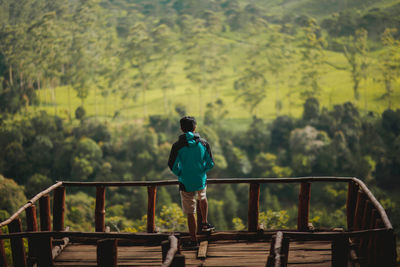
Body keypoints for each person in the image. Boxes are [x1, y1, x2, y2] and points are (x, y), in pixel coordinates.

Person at [168, 116, 215, 247]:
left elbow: (172, 164)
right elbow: (211, 163)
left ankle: (194, 240)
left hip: (185, 181)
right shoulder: (204, 143)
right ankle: (205, 223)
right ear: (195, 128)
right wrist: (202, 170)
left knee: (190, 211)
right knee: (203, 196)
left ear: (181, 129)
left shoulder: (177, 146)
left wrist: (181, 173)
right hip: (200, 179)